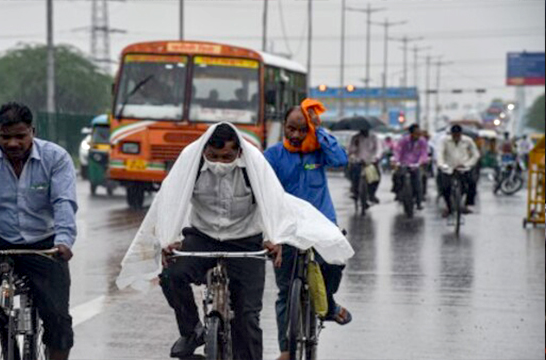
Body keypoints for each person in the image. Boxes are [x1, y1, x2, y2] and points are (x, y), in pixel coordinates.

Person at [116, 122, 353, 360]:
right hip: (202, 236)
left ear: (238, 152)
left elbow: (272, 202)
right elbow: (171, 200)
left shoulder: (254, 163)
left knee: (247, 317)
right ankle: (191, 332)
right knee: (171, 275)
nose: (219, 162)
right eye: (214, 156)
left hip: (246, 240)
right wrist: (170, 239)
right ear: (204, 151)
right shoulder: (191, 159)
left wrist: (273, 238)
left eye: (227, 157)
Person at [0, 102, 77, 360]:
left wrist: (63, 241)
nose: (12, 144)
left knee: (58, 318)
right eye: (5, 137)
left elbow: (64, 202)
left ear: (32, 131)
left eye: (20, 136)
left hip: (45, 241)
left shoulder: (56, 157)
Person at [264, 99, 351, 360]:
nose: (296, 135)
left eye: (302, 130)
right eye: (291, 128)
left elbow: (341, 159)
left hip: (321, 223)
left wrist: (319, 130)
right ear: (284, 127)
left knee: (334, 264)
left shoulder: (318, 152)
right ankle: (286, 349)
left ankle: (329, 304)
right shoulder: (273, 155)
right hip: (286, 228)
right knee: (285, 291)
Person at [437, 124, 481, 217]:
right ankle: (448, 207)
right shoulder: (444, 141)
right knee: (444, 187)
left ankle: (467, 204)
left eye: (458, 134)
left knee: (472, 183)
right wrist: (442, 165)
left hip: (464, 167)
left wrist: (468, 164)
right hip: (448, 168)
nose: (456, 136)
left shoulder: (468, 141)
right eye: (454, 134)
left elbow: (476, 155)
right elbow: (440, 153)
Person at [391, 124, 429, 210]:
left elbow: (424, 153)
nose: (418, 135)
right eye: (416, 133)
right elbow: (398, 151)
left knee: (420, 180)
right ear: (411, 133)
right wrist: (396, 161)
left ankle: (419, 201)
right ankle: (397, 193)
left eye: (419, 133)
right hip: (403, 163)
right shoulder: (404, 140)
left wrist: (422, 161)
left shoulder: (422, 141)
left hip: (416, 164)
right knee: (396, 176)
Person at [348, 124, 382, 204]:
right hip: (358, 161)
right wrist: (355, 146)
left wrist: (376, 158)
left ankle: (372, 194)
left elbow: (379, 149)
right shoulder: (355, 138)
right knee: (353, 175)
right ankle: (355, 192)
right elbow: (351, 150)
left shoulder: (374, 137)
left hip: (371, 162)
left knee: (376, 178)